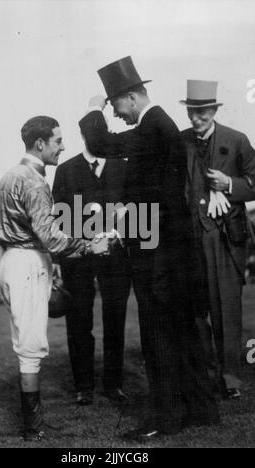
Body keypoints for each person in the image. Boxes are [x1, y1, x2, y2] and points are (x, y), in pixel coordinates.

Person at [79, 57, 220, 442]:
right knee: (186, 334)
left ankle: (167, 417)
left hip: (159, 260)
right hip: (174, 254)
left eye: (115, 105)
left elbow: (100, 142)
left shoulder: (153, 125)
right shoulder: (160, 127)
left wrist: (93, 108)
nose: (116, 115)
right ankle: (201, 410)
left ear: (130, 97)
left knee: (159, 337)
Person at [0, 116, 109, 441]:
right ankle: (33, 429)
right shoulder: (32, 180)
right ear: (40, 144)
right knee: (31, 348)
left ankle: (36, 424)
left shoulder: (10, 175)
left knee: (26, 343)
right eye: (58, 141)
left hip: (14, 261)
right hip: (28, 264)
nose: (63, 146)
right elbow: (52, 238)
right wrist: (90, 244)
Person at [180, 80, 255, 399]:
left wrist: (229, 185)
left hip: (225, 239)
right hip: (189, 238)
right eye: (192, 112)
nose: (197, 118)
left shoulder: (236, 140)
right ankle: (203, 375)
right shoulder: (179, 141)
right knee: (194, 313)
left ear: (214, 110)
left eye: (203, 112)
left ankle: (231, 380)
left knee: (226, 309)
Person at [52, 131, 131, 405]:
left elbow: (134, 209)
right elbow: (59, 219)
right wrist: (85, 242)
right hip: (78, 259)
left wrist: (114, 235)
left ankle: (113, 384)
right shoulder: (65, 170)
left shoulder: (123, 165)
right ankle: (84, 386)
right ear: (84, 134)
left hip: (117, 256)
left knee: (115, 319)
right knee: (78, 321)